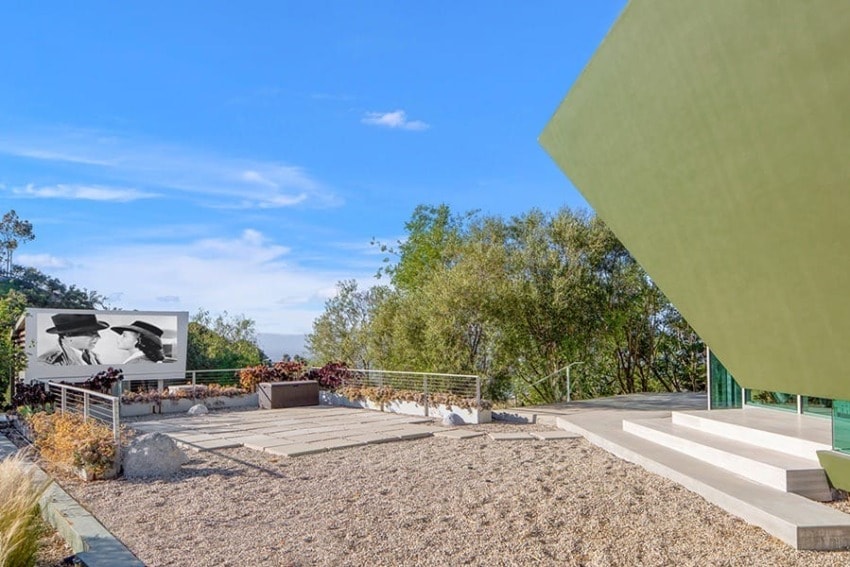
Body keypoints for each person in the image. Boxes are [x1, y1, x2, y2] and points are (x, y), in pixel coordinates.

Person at [37, 313, 109, 366]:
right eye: (90, 333)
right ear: (68, 337)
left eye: (96, 332)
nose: (98, 337)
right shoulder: (48, 363)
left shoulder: (92, 356)